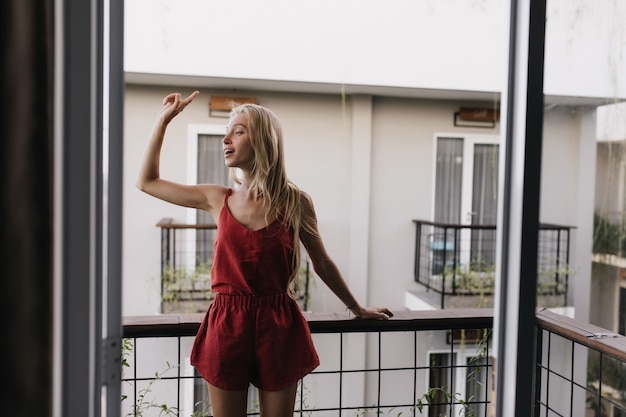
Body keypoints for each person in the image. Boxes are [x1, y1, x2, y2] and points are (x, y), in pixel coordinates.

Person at [137, 91, 393, 417]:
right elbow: (147, 182)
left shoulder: (296, 202)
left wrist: (357, 308)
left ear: (262, 140)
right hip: (227, 323)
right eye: (226, 132)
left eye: (238, 131)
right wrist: (164, 120)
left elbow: (322, 262)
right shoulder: (217, 198)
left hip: (279, 324)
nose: (225, 138)